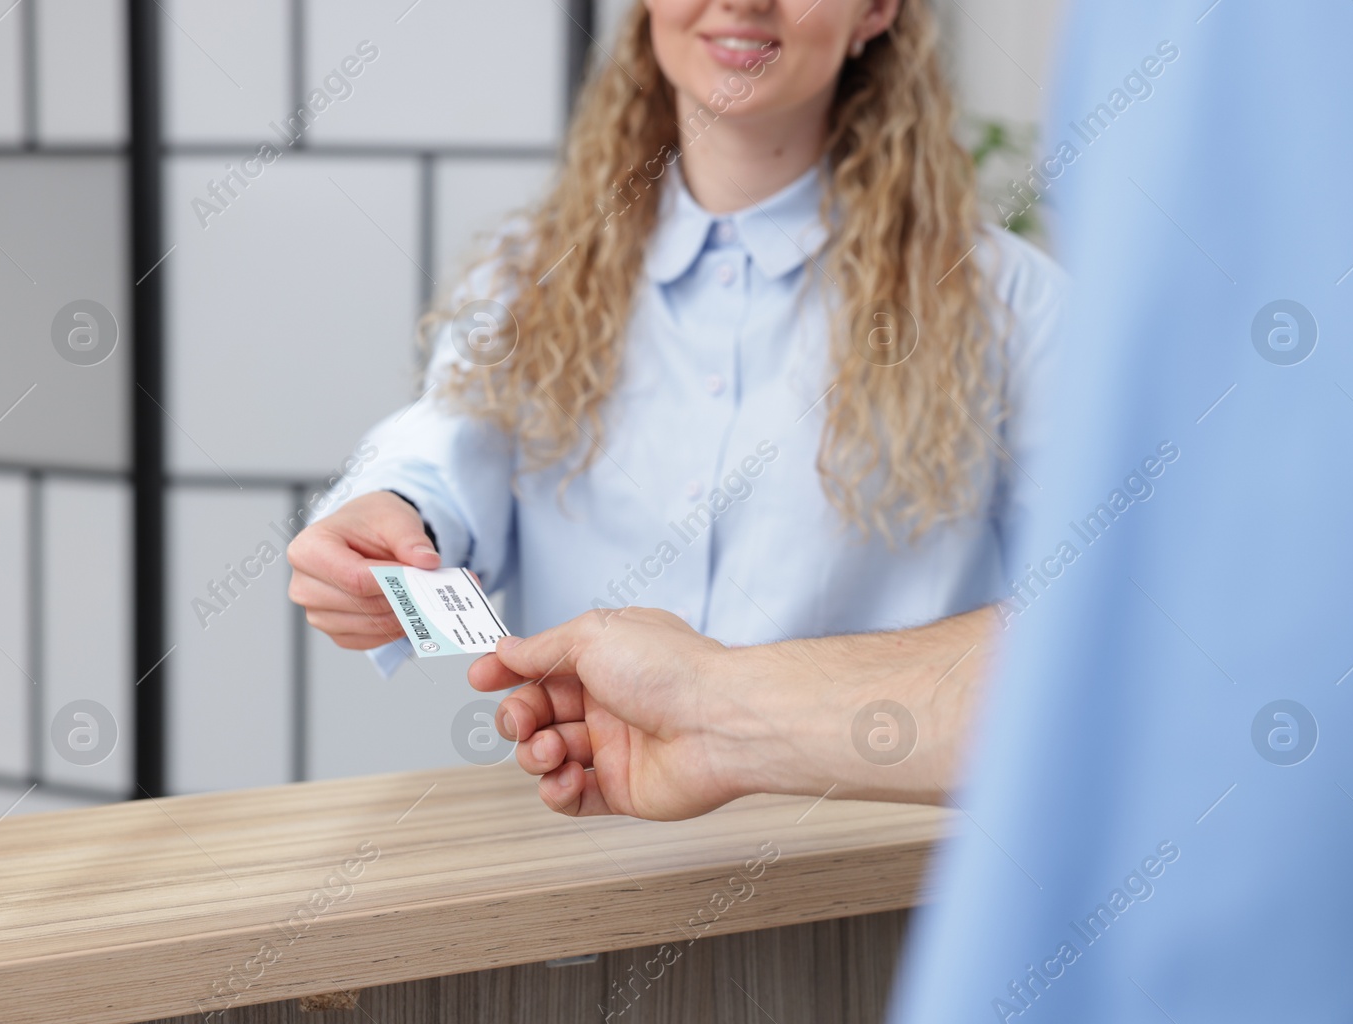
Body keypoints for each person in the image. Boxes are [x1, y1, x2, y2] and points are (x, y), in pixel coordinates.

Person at [473, 1, 1353, 1024]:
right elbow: (1161, 635)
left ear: (879, 14)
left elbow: (1201, 642)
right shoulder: (528, 272)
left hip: (873, 921)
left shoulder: (1019, 284)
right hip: (602, 900)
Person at [286, 0, 1063, 691]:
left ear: (876, 11)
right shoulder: (531, 276)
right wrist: (394, 519)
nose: (744, 3)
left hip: (871, 846)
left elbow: (1091, 604)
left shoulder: (1012, 302)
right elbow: (447, 454)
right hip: (587, 832)